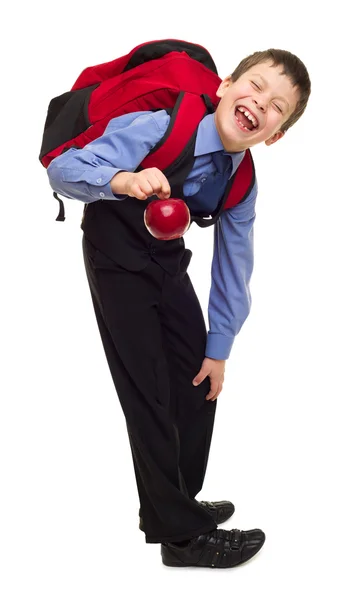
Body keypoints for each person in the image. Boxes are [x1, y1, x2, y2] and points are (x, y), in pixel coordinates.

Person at [47, 46, 311, 569]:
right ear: (226, 85)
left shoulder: (240, 180)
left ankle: (179, 501)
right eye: (255, 86)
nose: (260, 103)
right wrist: (121, 180)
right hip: (115, 257)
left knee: (197, 379)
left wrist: (220, 349)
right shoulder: (157, 126)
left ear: (275, 135)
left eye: (277, 106)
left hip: (166, 261)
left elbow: (235, 267)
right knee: (148, 390)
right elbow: (64, 169)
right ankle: (180, 539)